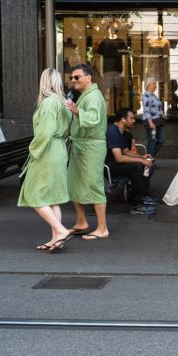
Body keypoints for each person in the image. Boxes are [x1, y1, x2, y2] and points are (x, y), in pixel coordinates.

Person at [18, 68, 73, 252]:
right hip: (59, 149)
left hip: (47, 151)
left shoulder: (49, 102)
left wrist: (33, 151)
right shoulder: (63, 102)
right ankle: (56, 239)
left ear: (44, 82)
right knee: (53, 197)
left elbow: (45, 132)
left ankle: (61, 231)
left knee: (34, 195)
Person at [64, 64, 109, 239]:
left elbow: (94, 119)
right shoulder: (86, 95)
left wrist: (76, 111)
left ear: (88, 78)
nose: (73, 80)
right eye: (72, 78)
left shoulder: (94, 97)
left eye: (77, 77)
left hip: (91, 147)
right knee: (74, 182)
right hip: (80, 145)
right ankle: (82, 221)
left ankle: (102, 228)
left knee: (93, 184)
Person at [104, 107, 157, 219]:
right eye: (131, 118)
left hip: (117, 163)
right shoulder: (112, 131)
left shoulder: (122, 131)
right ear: (123, 119)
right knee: (136, 166)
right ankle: (136, 205)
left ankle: (143, 196)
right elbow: (119, 158)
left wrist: (142, 157)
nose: (134, 121)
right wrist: (140, 160)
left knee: (144, 163)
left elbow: (126, 152)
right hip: (110, 166)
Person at [141, 76, 166, 157]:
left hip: (158, 120)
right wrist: (150, 122)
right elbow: (146, 110)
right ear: (148, 85)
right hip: (150, 121)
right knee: (152, 140)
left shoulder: (154, 95)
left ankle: (149, 158)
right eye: (153, 84)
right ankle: (149, 159)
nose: (155, 85)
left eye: (155, 84)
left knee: (161, 140)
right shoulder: (146, 96)